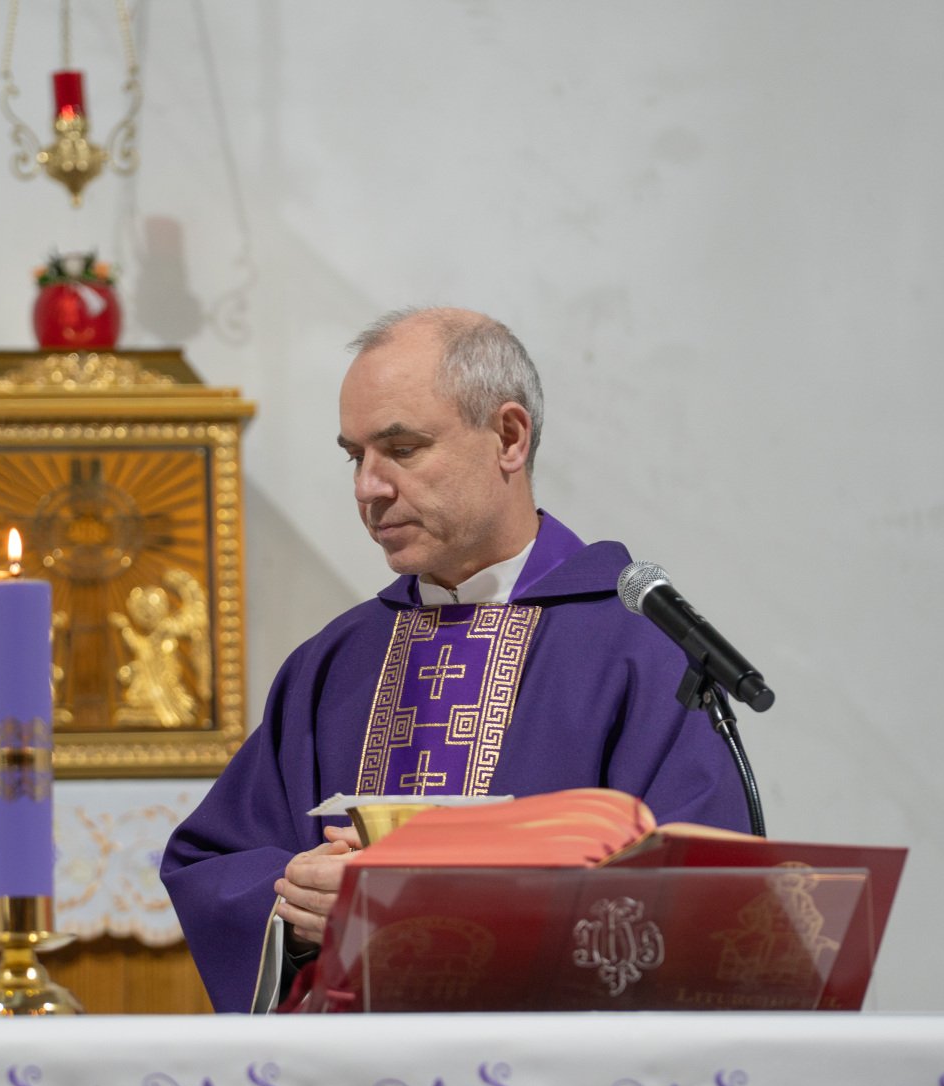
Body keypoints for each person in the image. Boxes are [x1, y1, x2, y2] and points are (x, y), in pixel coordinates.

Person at [161, 308, 754, 1012]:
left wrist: (423, 908)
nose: (368, 487)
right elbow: (214, 862)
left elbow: (698, 902)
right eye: (355, 456)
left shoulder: (639, 651)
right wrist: (295, 900)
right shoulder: (336, 662)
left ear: (509, 437)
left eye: (402, 448)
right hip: (351, 1073)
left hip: (551, 1073)